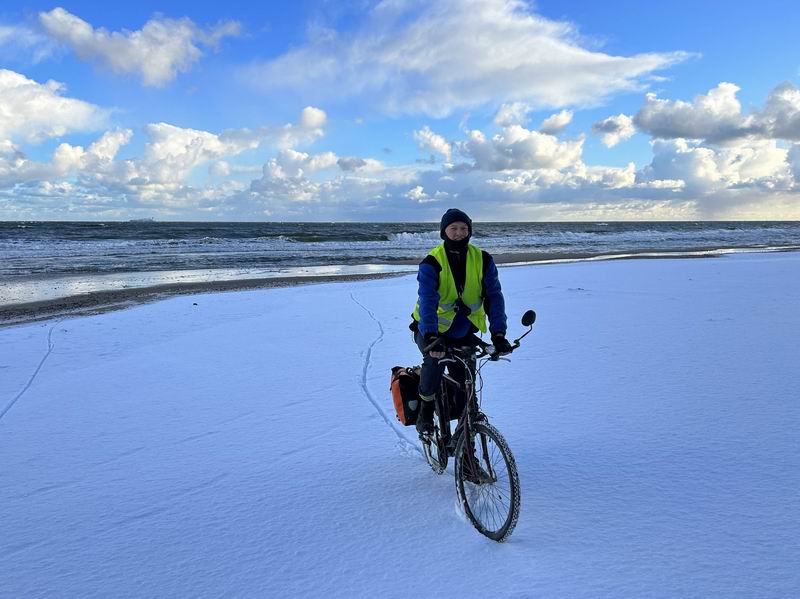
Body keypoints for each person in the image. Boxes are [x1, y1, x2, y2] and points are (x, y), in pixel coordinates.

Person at [411, 208, 511, 436]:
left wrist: (499, 334)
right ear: (444, 231)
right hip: (431, 330)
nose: (459, 233)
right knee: (433, 364)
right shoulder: (432, 262)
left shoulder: (483, 259)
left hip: (464, 331)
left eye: (464, 228)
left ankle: (466, 446)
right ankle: (425, 411)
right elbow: (427, 300)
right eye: (453, 228)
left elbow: (494, 296)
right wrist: (431, 336)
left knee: (466, 384)